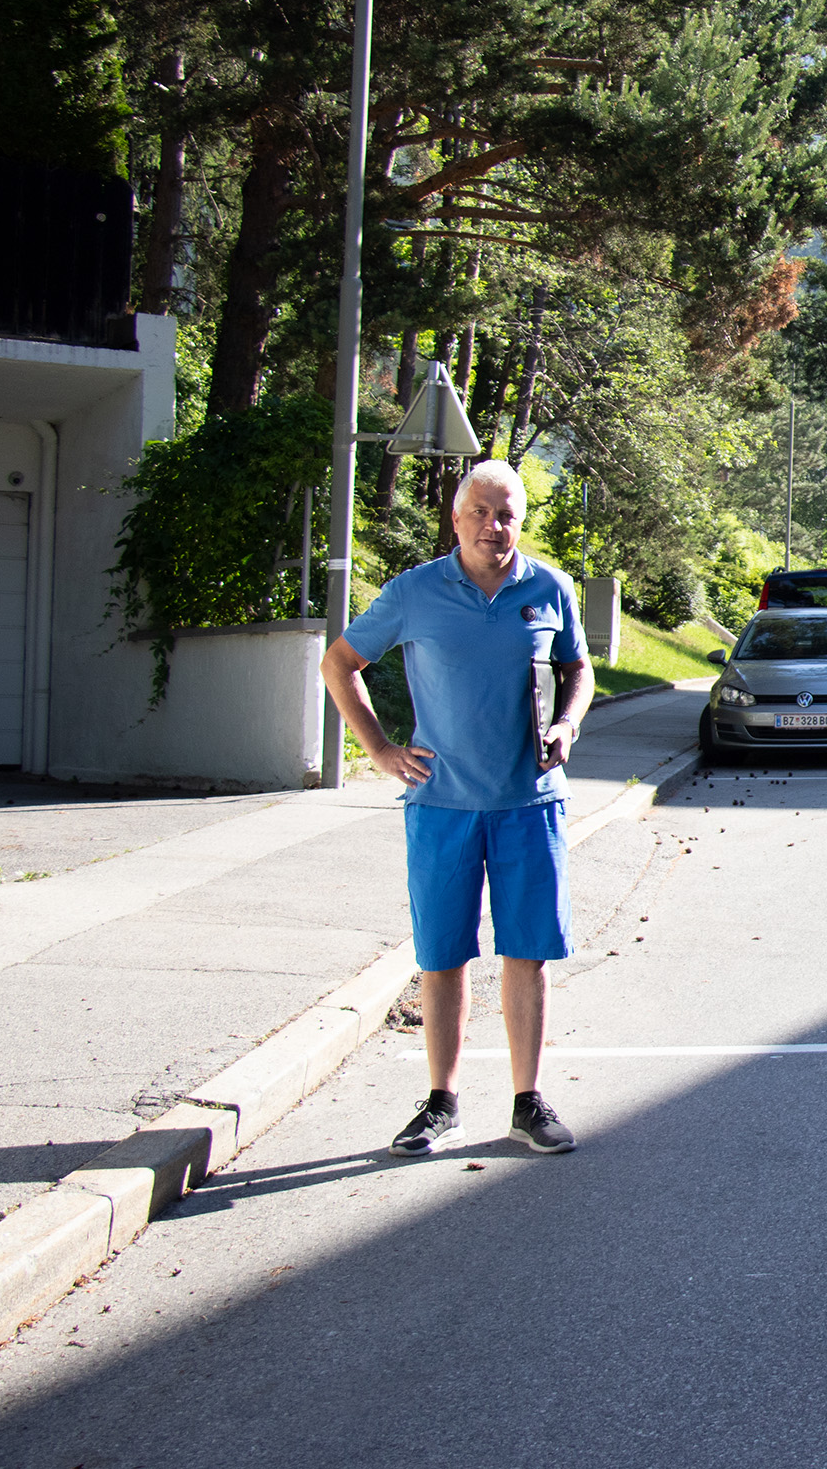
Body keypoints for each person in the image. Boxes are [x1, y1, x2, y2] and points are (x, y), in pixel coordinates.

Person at [321, 461, 593, 1157]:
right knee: (443, 957)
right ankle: (442, 1102)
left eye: (506, 514)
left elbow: (578, 668)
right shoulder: (415, 591)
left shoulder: (548, 587)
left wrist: (567, 724)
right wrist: (379, 747)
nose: (492, 526)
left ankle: (527, 1100)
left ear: (520, 522)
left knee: (527, 953)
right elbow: (339, 662)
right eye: (480, 511)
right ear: (456, 516)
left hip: (529, 803)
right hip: (441, 804)